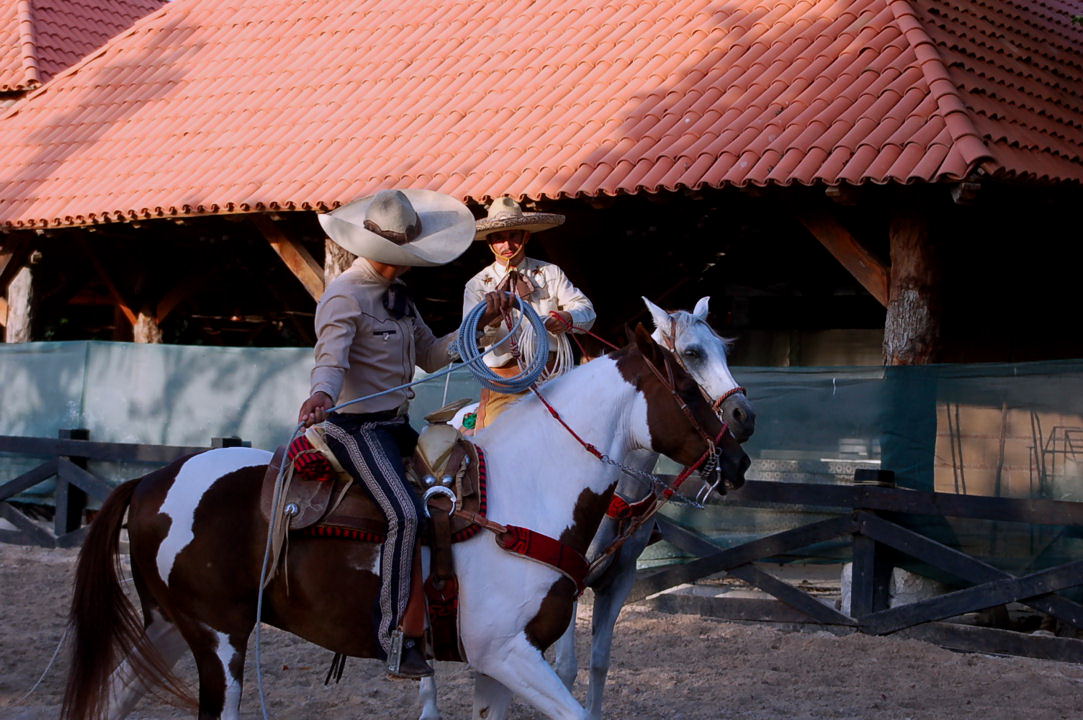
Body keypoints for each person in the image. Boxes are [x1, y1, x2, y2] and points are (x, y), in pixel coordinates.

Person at [297, 189, 510, 679]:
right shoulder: (344, 295)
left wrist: (483, 321)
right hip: (354, 427)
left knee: (456, 498)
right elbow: (330, 360)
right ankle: (395, 636)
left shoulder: (401, 298)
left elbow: (432, 357)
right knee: (405, 515)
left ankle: (449, 613)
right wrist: (322, 396)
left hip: (396, 425)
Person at [463, 197, 596, 430]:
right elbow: (468, 339)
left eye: (514, 235)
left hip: (552, 376)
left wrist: (567, 318)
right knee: (494, 439)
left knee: (580, 433)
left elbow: (585, 310)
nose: (507, 244)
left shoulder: (549, 273)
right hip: (504, 380)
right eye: (499, 238)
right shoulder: (477, 285)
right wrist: (490, 321)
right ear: (490, 242)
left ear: (526, 236)